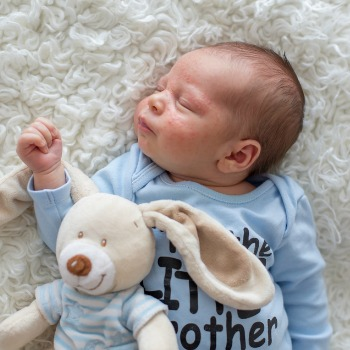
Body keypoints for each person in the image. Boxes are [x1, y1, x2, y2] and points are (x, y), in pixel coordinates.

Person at [16, 42, 332, 349]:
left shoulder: (280, 204)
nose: (154, 101)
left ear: (237, 156)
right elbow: (74, 240)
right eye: (161, 88)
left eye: (184, 103)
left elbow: (304, 294)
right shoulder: (134, 177)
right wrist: (48, 175)